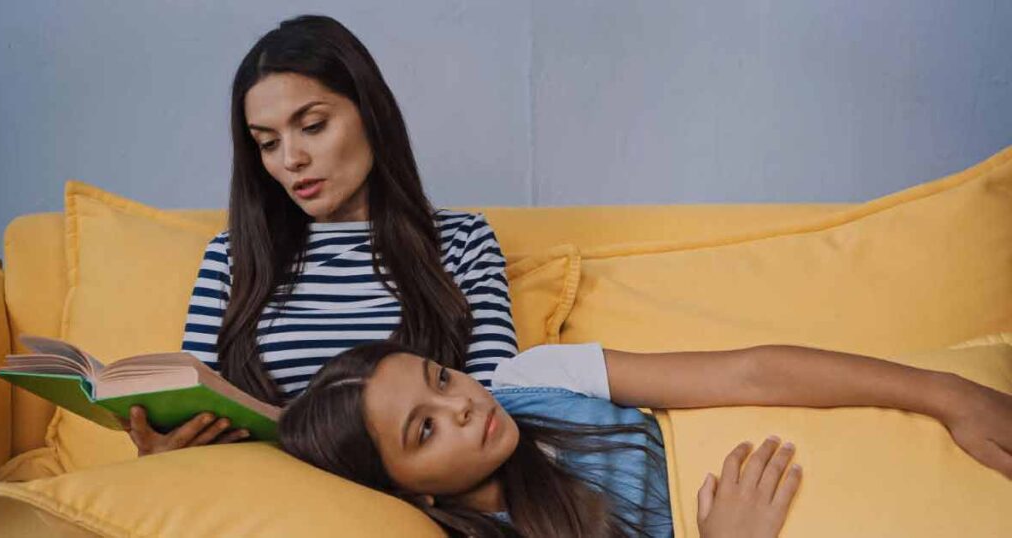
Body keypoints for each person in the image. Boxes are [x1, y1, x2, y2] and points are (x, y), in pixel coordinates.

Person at [122, 14, 518, 455]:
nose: (291, 159)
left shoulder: (463, 242)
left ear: (371, 114)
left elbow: (496, 412)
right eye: (268, 143)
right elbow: (196, 415)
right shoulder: (231, 257)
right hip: (254, 487)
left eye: (312, 126)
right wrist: (165, 452)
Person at [279, 340, 1012, 537]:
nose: (463, 404)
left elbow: (747, 374)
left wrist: (947, 394)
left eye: (441, 378)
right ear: (412, 492)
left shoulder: (533, 377)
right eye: (426, 428)